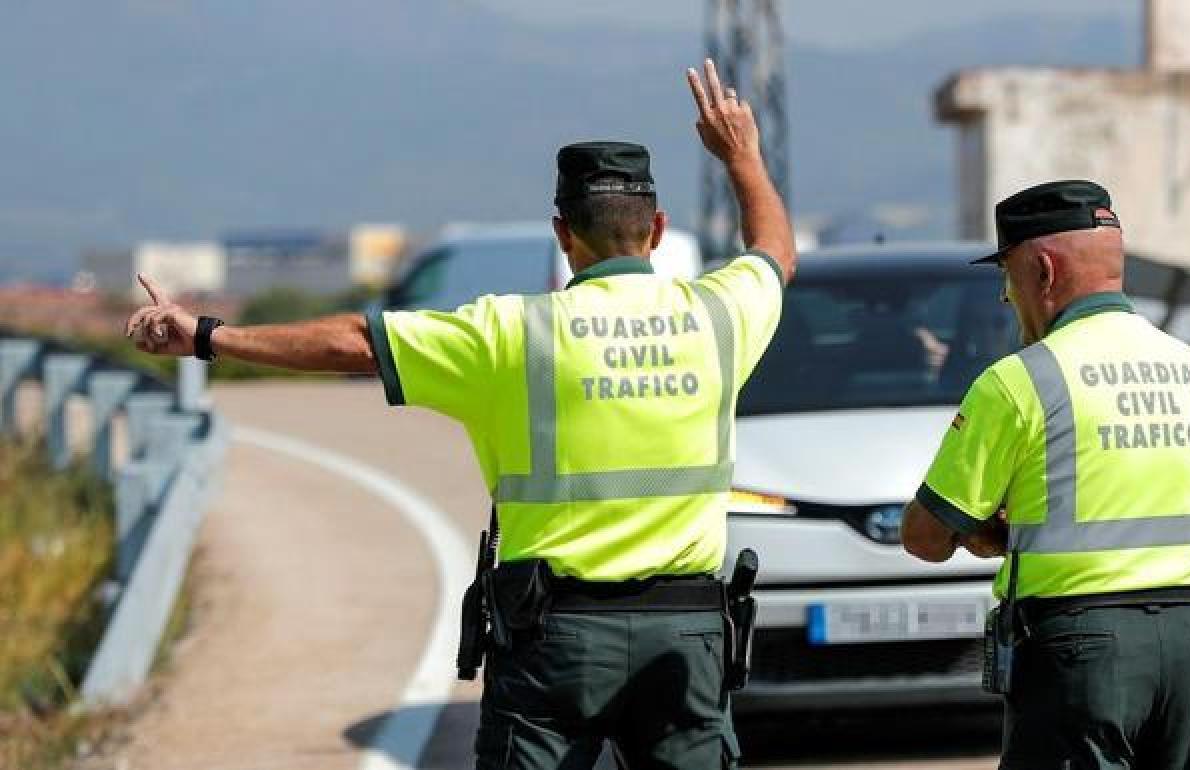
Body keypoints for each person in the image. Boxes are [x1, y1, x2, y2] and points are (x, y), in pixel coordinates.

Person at [125, 59, 795, 770]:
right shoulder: (722, 317)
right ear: (656, 229)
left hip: (555, 641)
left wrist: (205, 335)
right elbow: (774, 255)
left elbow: (356, 341)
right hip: (685, 639)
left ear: (562, 233)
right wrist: (742, 156)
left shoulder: (509, 334)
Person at [899, 180, 1190, 769]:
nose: (1006, 296)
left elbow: (925, 537)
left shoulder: (1020, 381)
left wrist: (992, 535)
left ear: (1044, 271)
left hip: (1084, 651)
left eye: (1008, 274)